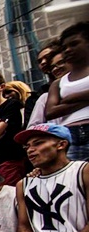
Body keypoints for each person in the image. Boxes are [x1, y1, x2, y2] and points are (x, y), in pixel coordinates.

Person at [46, 22, 89, 161]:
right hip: (69, 134)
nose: (68, 50)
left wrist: (71, 98)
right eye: (64, 47)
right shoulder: (59, 82)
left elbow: (59, 106)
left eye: (74, 44)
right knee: (76, 179)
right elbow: (50, 112)